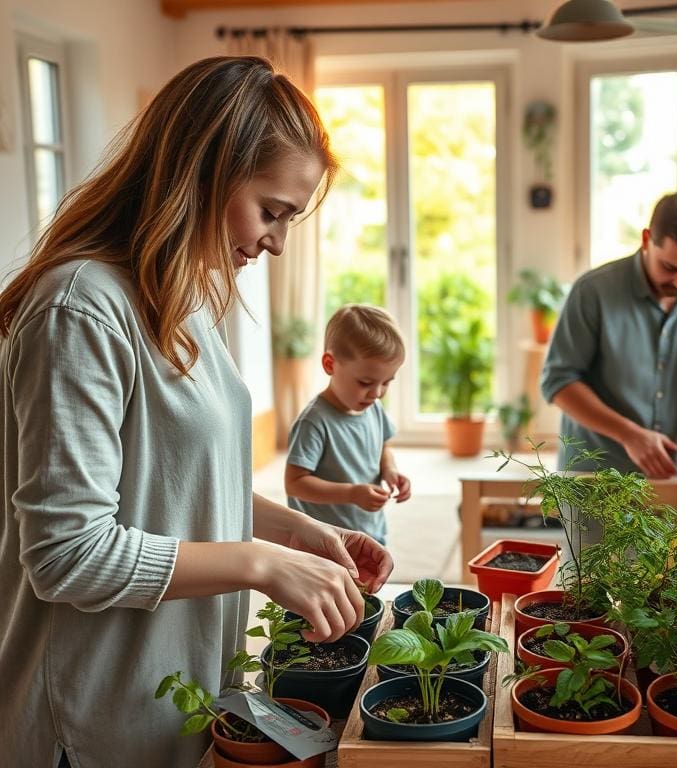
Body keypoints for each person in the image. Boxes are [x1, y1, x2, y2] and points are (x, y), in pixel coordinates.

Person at [0, 56, 393, 768]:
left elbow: (176, 481)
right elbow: (67, 555)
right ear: (202, 171)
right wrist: (261, 564)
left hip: (171, 697)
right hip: (90, 722)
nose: (275, 241)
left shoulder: (188, 302)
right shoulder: (80, 309)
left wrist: (300, 532)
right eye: (271, 211)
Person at [541, 189, 677, 481]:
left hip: (671, 475)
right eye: (670, 267)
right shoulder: (593, 292)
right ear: (647, 239)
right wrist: (629, 435)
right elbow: (559, 382)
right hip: (593, 479)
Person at [285, 304, 411, 545]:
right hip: (324, 542)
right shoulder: (314, 421)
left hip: (369, 531)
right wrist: (352, 493)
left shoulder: (373, 408)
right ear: (330, 365)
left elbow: (383, 448)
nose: (377, 392)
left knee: (370, 581)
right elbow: (295, 484)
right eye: (366, 382)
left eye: (387, 382)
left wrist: (390, 470)